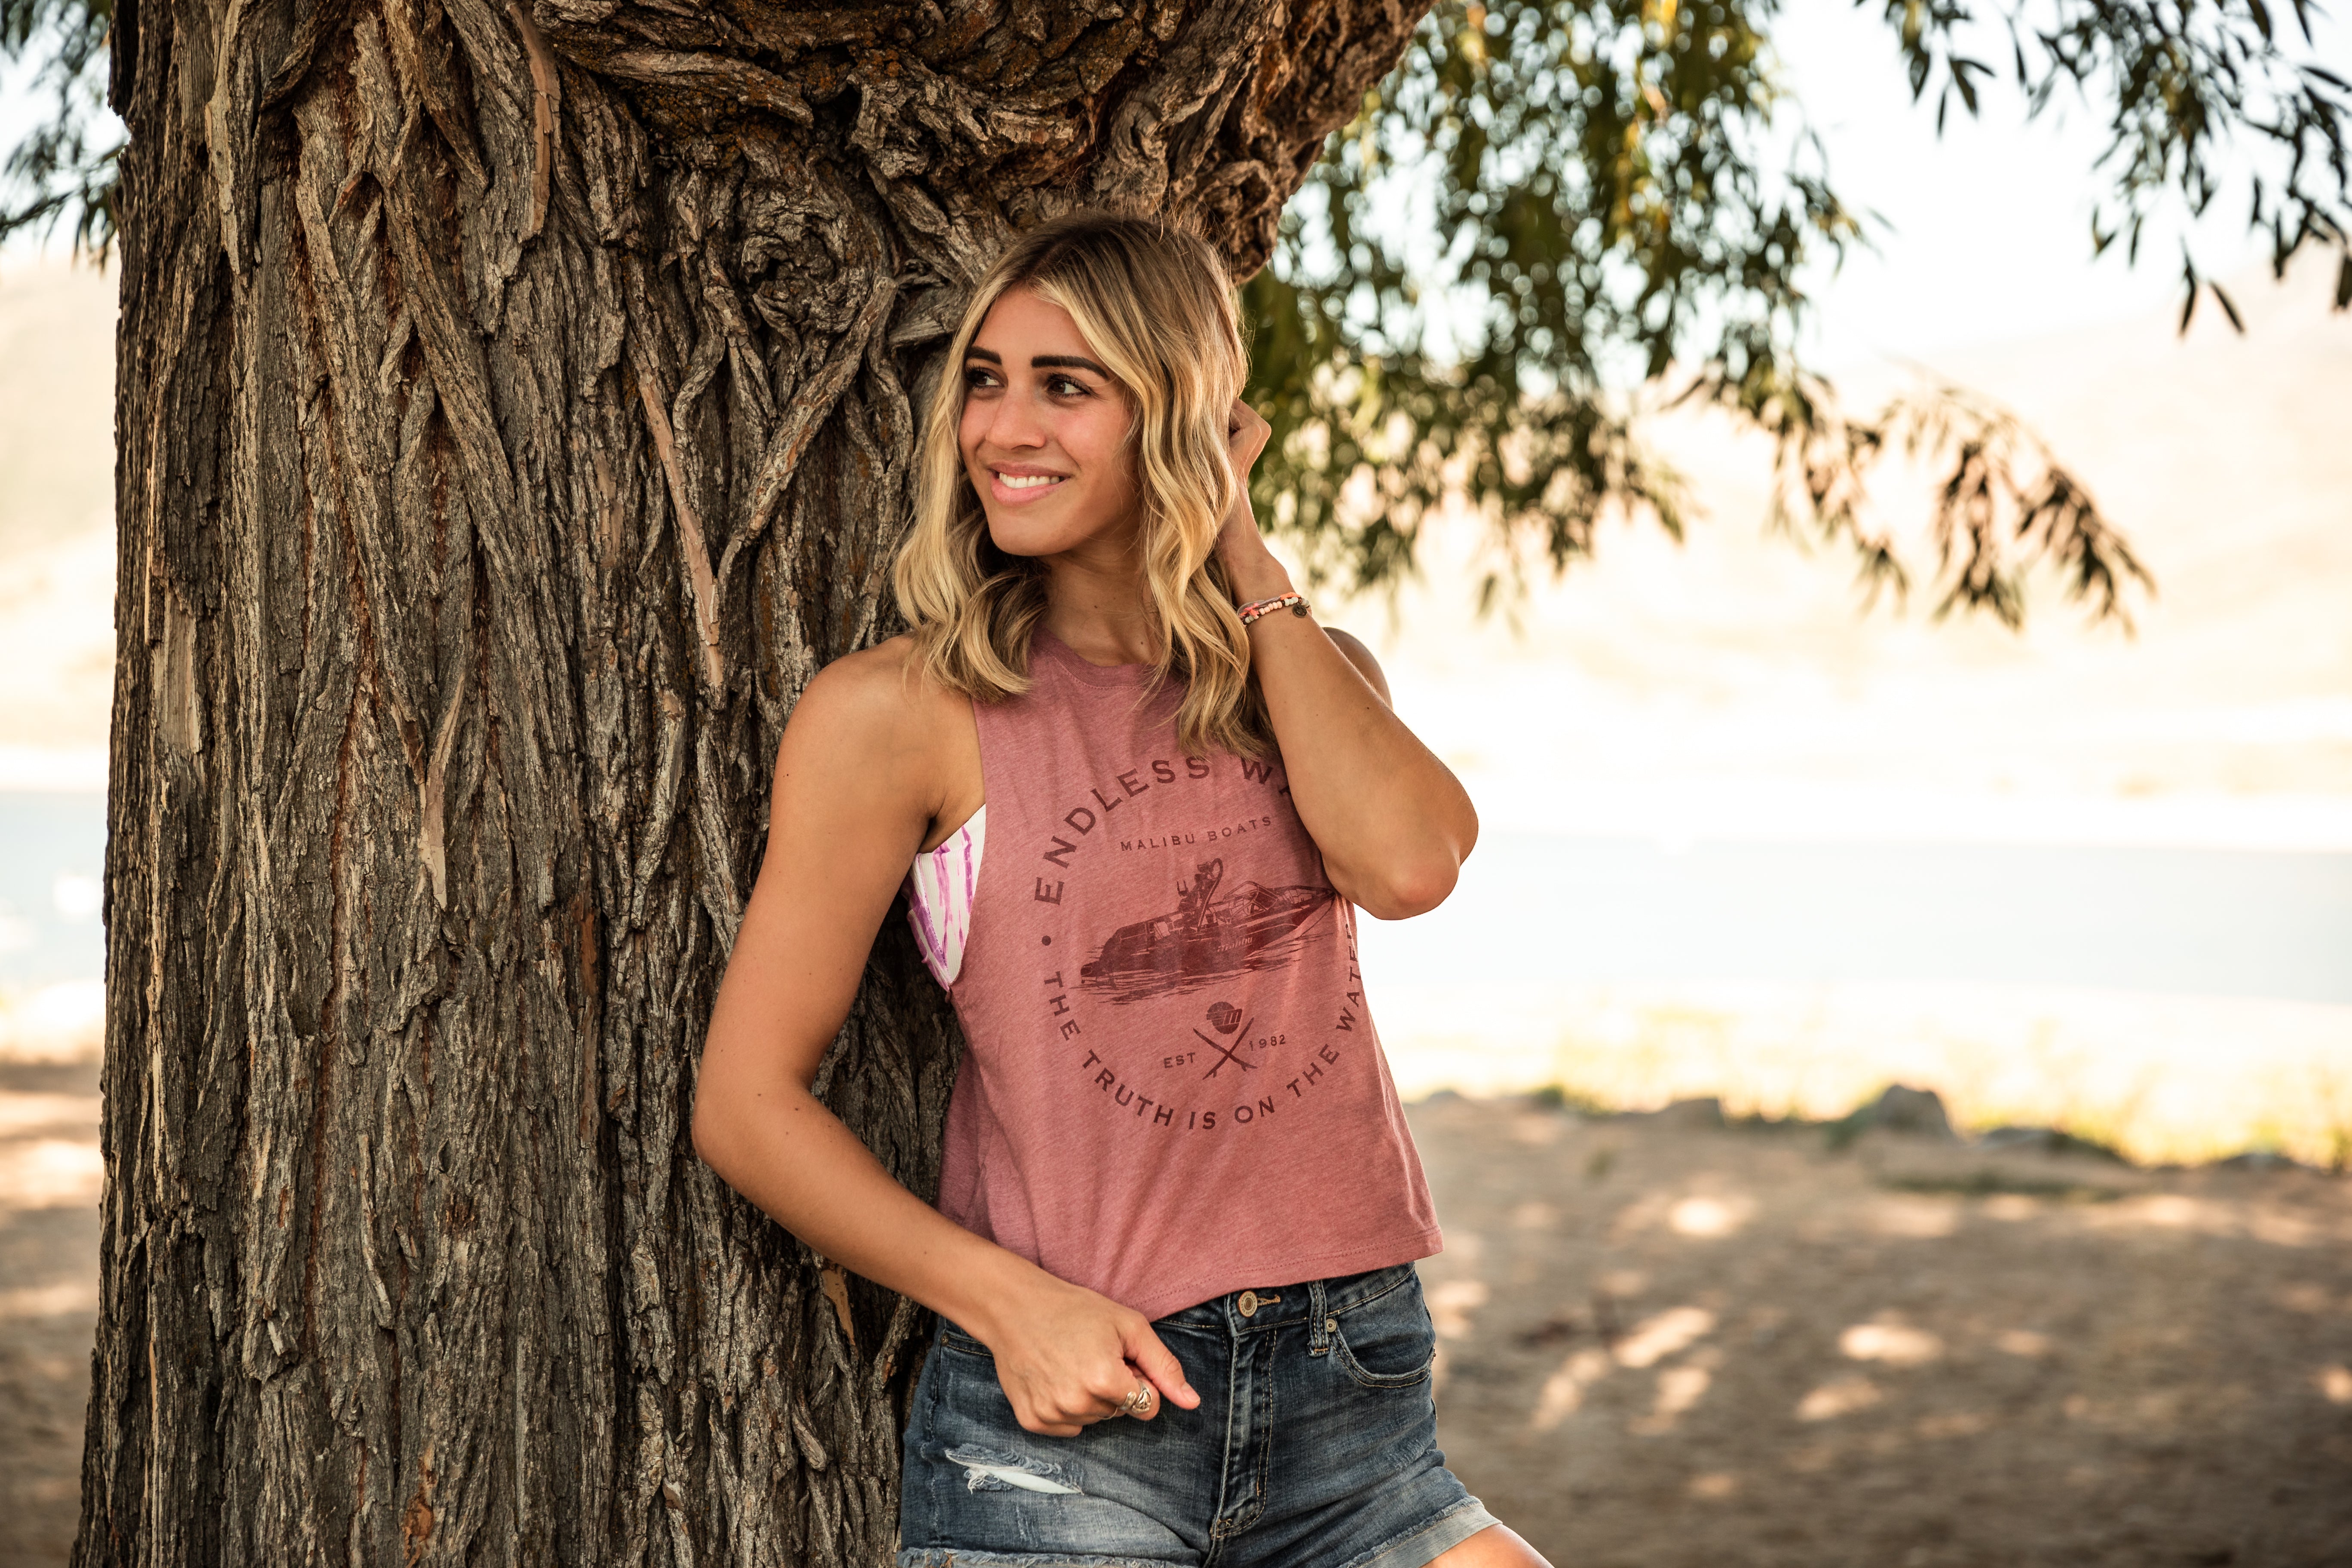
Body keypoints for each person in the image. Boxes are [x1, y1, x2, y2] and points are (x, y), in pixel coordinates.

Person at [693, 210, 1550, 1568]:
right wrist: (1006, 1304)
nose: (1004, 429)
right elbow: (746, 1102)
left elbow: (1408, 864)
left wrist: (1248, 558)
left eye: (1068, 386)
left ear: (1183, 418)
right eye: (987, 378)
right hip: (1074, 1426)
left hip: (1356, 1406)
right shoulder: (903, 713)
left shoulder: (1303, 679)